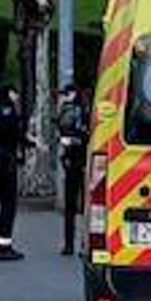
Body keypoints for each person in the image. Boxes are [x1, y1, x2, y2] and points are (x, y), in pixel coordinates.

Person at [0, 85, 32, 261]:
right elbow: (15, 135)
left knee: (5, 205)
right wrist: (32, 143)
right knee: (9, 206)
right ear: (9, 94)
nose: (17, 96)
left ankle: (2, 244)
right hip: (6, 164)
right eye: (15, 93)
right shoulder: (8, 112)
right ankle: (2, 247)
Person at [56, 84, 90, 256]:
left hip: (74, 161)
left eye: (66, 94)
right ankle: (80, 244)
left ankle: (71, 244)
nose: (64, 97)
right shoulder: (81, 110)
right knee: (82, 206)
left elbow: (63, 133)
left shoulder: (75, 111)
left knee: (74, 206)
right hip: (79, 160)